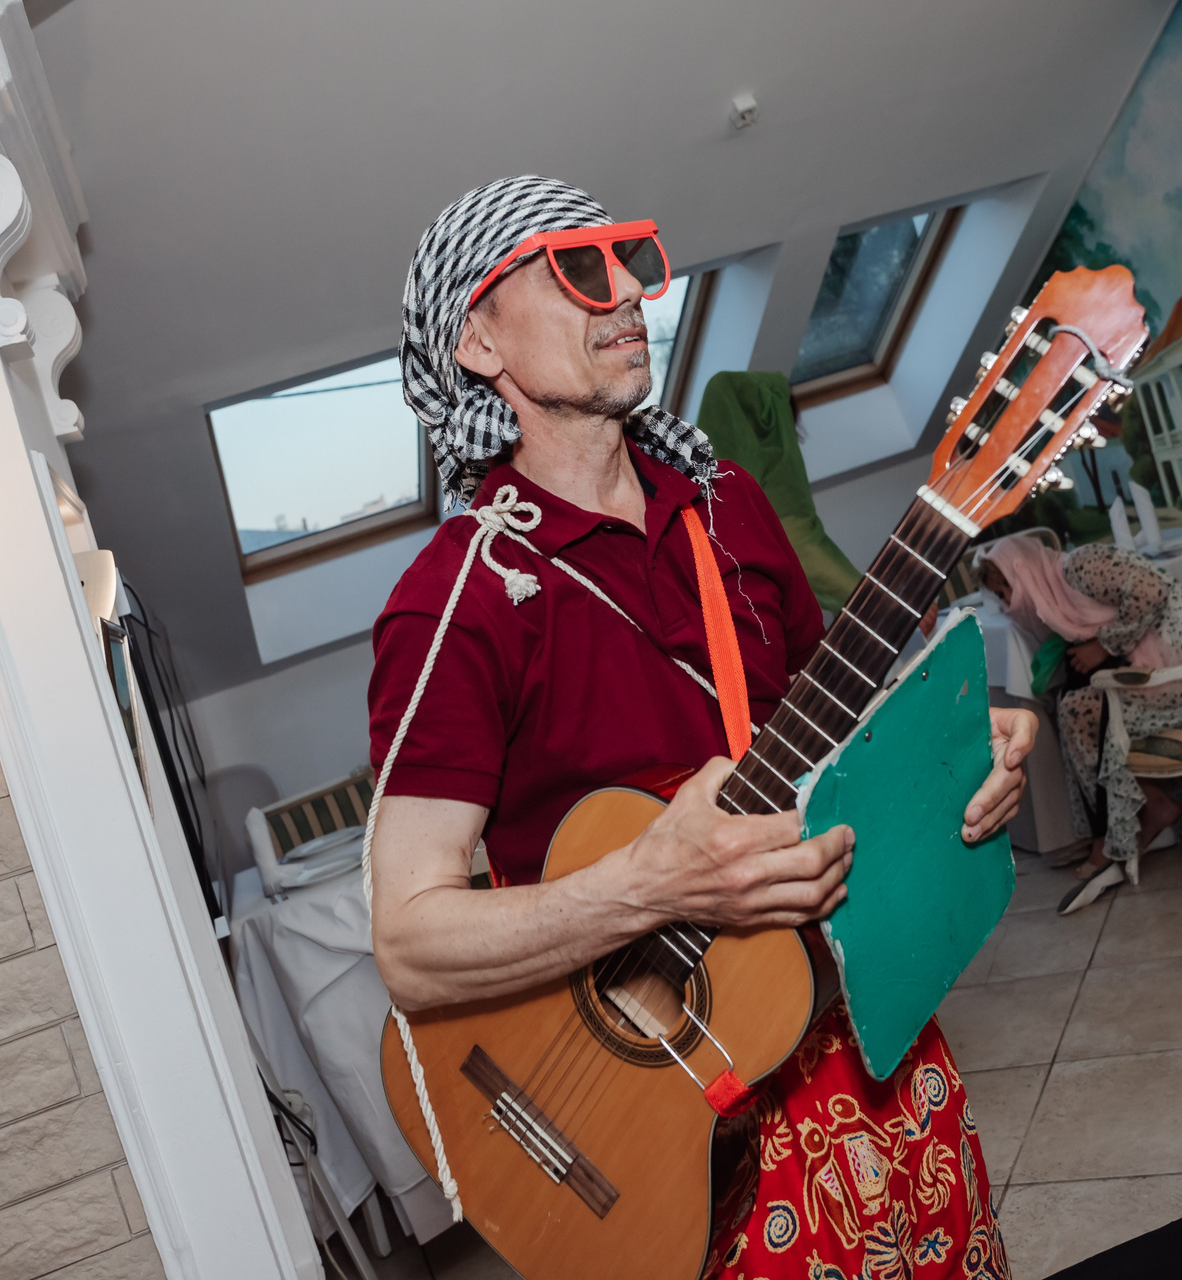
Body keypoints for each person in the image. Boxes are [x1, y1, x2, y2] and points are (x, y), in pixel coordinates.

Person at [364, 176, 1032, 1278]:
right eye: (576, 271)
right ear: (478, 340)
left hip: (866, 1039)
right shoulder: (457, 600)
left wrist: (956, 749)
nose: (628, 293)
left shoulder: (731, 510)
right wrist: (647, 886)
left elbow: (835, 739)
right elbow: (409, 944)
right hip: (655, 1132)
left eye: (629, 261)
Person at [977, 535, 1182, 914]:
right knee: (1076, 705)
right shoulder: (1058, 595)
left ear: (1021, 571)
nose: (1008, 605)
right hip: (1155, 664)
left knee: (1079, 713)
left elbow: (1152, 589)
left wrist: (1104, 645)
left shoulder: (1078, 566)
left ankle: (1116, 833)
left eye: (1005, 591)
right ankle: (1143, 807)